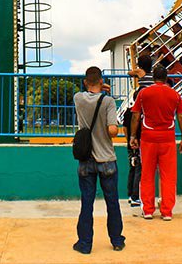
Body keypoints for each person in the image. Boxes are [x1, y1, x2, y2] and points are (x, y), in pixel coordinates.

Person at [73, 66, 125, 254]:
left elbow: (85, 90)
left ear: (86, 81)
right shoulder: (109, 101)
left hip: (86, 160)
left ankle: (85, 244)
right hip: (106, 159)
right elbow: (112, 130)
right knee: (112, 202)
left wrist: (96, 87)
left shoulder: (78, 99)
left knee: (87, 202)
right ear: (102, 81)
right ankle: (117, 240)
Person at [129, 65, 182, 220]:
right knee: (168, 176)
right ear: (166, 77)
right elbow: (181, 117)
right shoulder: (174, 94)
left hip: (148, 138)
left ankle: (148, 210)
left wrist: (133, 136)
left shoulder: (144, 93)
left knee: (147, 174)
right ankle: (167, 211)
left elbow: (135, 115)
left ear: (153, 76)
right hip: (167, 138)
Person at [123, 54, 154, 208]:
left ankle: (131, 195)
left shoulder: (140, 74)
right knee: (140, 169)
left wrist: (129, 138)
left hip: (131, 141)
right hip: (142, 137)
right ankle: (136, 195)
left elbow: (131, 73)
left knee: (133, 167)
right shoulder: (153, 76)